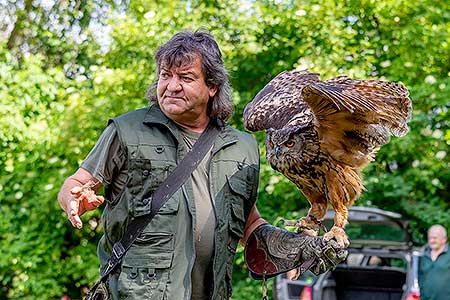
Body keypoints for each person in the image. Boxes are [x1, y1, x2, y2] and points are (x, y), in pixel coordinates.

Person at [58, 30, 347, 300]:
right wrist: (73, 196)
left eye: (185, 77)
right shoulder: (127, 130)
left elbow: (250, 226)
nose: (171, 86)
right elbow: (77, 182)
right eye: (165, 75)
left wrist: (296, 248)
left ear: (212, 86)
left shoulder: (243, 146)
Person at [419, 224, 450, 300]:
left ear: (444, 239)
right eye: (429, 238)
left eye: (435, 238)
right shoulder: (422, 254)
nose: (431, 241)